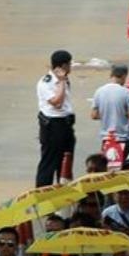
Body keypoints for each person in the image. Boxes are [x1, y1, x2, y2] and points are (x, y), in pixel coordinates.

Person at [35, 51, 75, 187]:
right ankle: (42, 194)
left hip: (66, 124)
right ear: (63, 66)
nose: (71, 67)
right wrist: (62, 81)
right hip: (53, 126)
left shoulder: (64, 79)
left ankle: (64, 191)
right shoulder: (46, 82)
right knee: (49, 161)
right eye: (69, 64)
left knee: (65, 161)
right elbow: (57, 102)